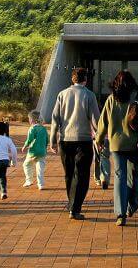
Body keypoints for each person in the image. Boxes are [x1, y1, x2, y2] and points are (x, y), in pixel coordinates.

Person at [96, 70, 138, 226]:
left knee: (119, 177)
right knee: (134, 175)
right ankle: (132, 205)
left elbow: (103, 121)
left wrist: (99, 139)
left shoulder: (111, 99)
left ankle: (120, 213)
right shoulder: (137, 98)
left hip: (116, 144)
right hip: (135, 144)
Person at [50, 67, 100, 220]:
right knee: (82, 175)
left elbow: (55, 119)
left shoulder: (62, 94)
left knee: (69, 174)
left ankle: (71, 203)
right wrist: (100, 138)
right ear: (85, 79)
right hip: (83, 140)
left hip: (65, 140)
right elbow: (95, 120)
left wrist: (53, 139)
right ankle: (75, 208)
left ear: (72, 79)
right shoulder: (89, 95)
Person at [21, 111, 49, 190]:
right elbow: (47, 139)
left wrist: (25, 146)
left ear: (33, 120)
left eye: (29, 119)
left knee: (26, 165)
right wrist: (46, 146)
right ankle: (41, 184)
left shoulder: (32, 128)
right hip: (42, 152)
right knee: (40, 169)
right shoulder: (44, 128)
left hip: (33, 151)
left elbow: (29, 139)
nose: (29, 120)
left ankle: (29, 180)